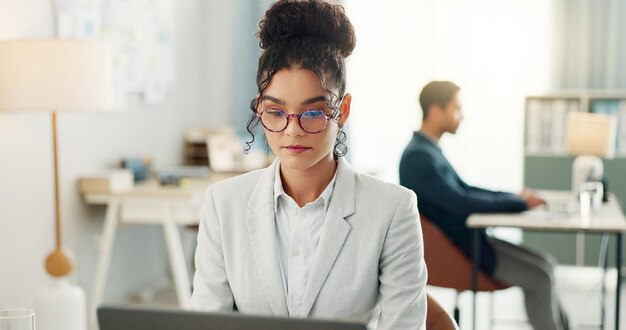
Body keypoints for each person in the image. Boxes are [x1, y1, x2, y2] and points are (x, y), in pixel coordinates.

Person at [190, 1, 427, 328]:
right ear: (260, 109)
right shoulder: (223, 204)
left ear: (342, 111)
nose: (292, 130)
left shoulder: (392, 209)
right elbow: (207, 321)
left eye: (313, 113)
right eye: (275, 112)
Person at [399, 81, 569, 330]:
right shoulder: (419, 157)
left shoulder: (427, 151)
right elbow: (459, 202)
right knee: (540, 277)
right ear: (436, 111)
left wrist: (515, 197)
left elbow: (464, 190)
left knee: (548, 265)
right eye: (456, 109)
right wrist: (518, 202)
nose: (462, 116)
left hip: (471, 241)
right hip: (460, 250)